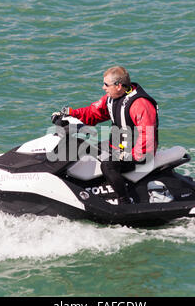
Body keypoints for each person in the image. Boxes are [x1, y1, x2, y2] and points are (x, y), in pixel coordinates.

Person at [53, 66, 159, 204]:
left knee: (108, 165)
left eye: (106, 85)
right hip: (118, 148)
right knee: (82, 148)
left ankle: (124, 201)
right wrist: (70, 113)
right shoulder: (112, 98)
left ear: (119, 86)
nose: (103, 87)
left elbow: (147, 137)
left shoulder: (140, 104)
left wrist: (130, 156)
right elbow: (93, 113)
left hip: (139, 154)